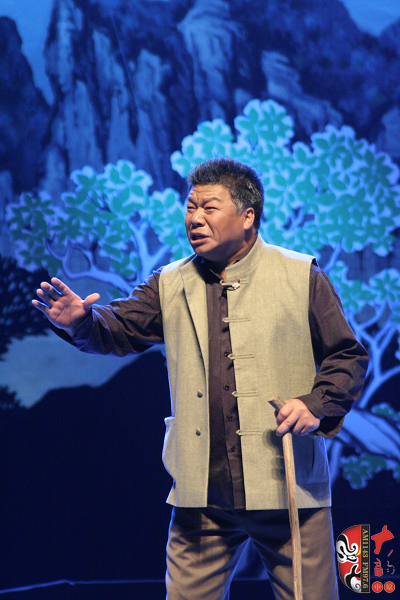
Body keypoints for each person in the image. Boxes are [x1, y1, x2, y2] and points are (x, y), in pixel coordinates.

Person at [33, 157, 368, 600]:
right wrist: (81, 321)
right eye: (190, 207)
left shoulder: (300, 275)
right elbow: (118, 327)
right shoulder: (170, 282)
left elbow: (347, 354)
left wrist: (315, 404)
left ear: (247, 216)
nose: (194, 218)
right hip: (202, 491)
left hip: (285, 484)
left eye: (209, 207)